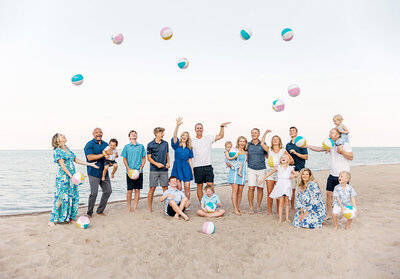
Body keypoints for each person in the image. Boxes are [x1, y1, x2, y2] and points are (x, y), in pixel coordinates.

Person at [49, 133, 98, 227]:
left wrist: (89, 164)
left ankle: (71, 218)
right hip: (64, 178)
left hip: (73, 178)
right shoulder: (57, 151)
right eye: (61, 135)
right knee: (62, 198)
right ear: (57, 140)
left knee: (74, 197)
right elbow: (63, 166)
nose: (63, 136)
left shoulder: (67, 149)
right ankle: (52, 220)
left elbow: (76, 160)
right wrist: (71, 177)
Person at [306, 128, 353, 220]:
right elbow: (319, 149)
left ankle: (345, 215)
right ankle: (329, 214)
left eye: (332, 133)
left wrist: (342, 151)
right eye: (329, 132)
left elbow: (351, 157)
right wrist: (307, 145)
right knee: (328, 194)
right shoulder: (330, 145)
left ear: (338, 135)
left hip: (343, 175)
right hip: (332, 174)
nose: (329, 134)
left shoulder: (345, 144)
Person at [192, 121, 231, 203]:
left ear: (202, 129)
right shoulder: (192, 141)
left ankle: (212, 202)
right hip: (197, 166)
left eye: (200, 128)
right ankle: (202, 203)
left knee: (210, 185)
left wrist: (222, 127)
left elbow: (220, 136)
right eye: (197, 128)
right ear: (195, 130)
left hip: (208, 166)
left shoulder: (208, 138)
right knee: (199, 186)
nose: (199, 129)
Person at [261, 130, 294, 215]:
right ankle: (269, 211)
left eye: (277, 139)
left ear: (279, 141)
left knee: (279, 192)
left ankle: (279, 211)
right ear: (272, 141)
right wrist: (265, 133)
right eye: (273, 139)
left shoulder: (283, 150)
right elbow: (262, 144)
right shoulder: (269, 149)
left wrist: (282, 165)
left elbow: (291, 160)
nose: (275, 140)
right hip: (270, 172)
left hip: (280, 173)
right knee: (269, 192)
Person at [84, 128, 113, 218]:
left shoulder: (105, 144)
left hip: (104, 172)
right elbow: (90, 157)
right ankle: (89, 213)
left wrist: (110, 162)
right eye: (96, 132)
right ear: (93, 134)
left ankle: (100, 210)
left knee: (108, 191)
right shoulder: (89, 144)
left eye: (100, 132)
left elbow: (108, 157)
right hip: (93, 172)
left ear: (102, 134)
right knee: (94, 193)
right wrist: (104, 154)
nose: (98, 134)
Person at [259, 155, 297, 222]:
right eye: (282, 157)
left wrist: (292, 176)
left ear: (288, 160)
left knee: (287, 202)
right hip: (280, 184)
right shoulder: (278, 167)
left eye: (285, 157)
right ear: (280, 160)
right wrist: (263, 178)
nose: (283, 158)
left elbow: (296, 174)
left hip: (287, 185)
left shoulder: (290, 168)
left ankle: (287, 218)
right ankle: (280, 218)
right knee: (281, 202)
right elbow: (269, 173)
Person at [121, 130, 146, 213]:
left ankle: (135, 207)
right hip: (130, 172)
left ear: (137, 136)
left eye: (135, 133)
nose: (134, 134)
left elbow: (144, 157)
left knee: (137, 190)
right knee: (129, 190)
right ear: (129, 137)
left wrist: (142, 166)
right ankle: (128, 208)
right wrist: (128, 168)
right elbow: (124, 158)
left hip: (139, 172)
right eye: (132, 134)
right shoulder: (126, 147)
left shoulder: (141, 146)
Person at [171, 117, 194, 203]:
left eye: (186, 136)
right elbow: (174, 136)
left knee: (187, 187)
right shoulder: (176, 145)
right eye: (183, 135)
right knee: (179, 188)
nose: (184, 137)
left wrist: (192, 171)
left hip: (186, 167)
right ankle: (179, 202)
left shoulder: (189, 148)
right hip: (177, 166)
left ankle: (186, 203)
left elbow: (190, 160)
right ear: (181, 137)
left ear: (188, 138)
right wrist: (177, 126)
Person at [286, 127, 308, 213]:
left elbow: (306, 157)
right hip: (291, 170)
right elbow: (286, 157)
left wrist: (296, 153)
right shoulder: (288, 145)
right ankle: (292, 208)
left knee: (302, 190)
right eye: (290, 131)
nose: (291, 132)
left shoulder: (302, 143)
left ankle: (302, 207)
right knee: (292, 190)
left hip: (301, 170)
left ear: (297, 132)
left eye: (293, 131)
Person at [147, 127, 170, 212]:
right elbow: (149, 158)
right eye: (161, 133)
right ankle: (149, 207)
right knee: (152, 188)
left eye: (163, 133)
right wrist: (157, 164)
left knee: (165, 188)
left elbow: (167, 155)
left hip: (164, 170)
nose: (163, 134)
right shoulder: (150, 144)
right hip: (154, 169)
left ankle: (167, 207)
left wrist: (168, 163)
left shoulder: (165, 143)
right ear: (156, 134)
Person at [247, 128, 268, 214]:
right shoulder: (248, 145)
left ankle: (258, 207)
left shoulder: (263, 144)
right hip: (251, 168)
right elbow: (245, 155)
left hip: (262, 169)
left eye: (256, 133)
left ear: (259, 134)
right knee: (251, 188)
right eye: (252, 133)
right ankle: (251, 207)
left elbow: (267, 156)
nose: (254, 134)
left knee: (260, 188)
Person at [227, 136, 247, 215]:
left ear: (245, 143)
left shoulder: (245, 152)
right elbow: (227, 160)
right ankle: (235, 209)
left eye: (244, 141)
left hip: (242, 173)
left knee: (240, 191)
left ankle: (238, 208)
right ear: (238, 142)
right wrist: (233, 167)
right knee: (235, 191)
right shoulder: (234, 150)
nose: (242, 143)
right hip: (235, 173)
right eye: (241, 141)